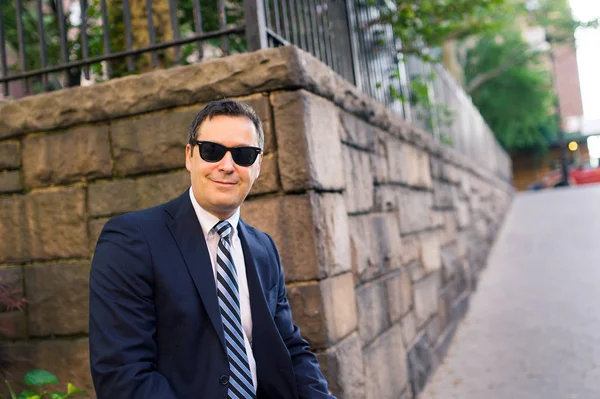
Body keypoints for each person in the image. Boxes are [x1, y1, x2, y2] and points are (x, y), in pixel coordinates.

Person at [89, 100, 335, 399]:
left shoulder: (263, 249)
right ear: (189, 156)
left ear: (257, 166)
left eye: (244, 155)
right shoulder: (132, 240)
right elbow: (123, 374)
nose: (227, 166)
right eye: (212, 151)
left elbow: (291, 348)